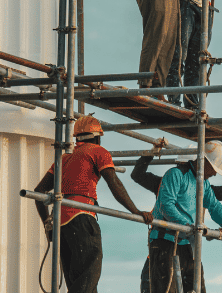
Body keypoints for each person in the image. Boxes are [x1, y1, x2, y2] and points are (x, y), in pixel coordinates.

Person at [34, 115, 154, 293]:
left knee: (79, 283)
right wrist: (136, 211)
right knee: (88, 277)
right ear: (97, 137)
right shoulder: (98, 151)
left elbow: (38, 193)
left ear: (77, 137)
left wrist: (48, 224)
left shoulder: (64, 159)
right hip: (82, 218)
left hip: (62, 224)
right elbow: (114, 183)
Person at [133, 142, 222, 293]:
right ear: (204, 161)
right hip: (166, 243)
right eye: (214, 169)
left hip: (188, 245)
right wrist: (190, 226)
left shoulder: (203, 183)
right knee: (166, 289)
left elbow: (215, 206)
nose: (215, 173)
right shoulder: (175, 175)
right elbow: (166, 205)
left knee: (196, 289)